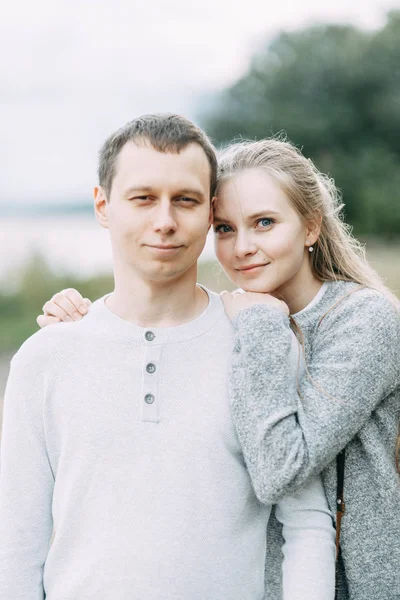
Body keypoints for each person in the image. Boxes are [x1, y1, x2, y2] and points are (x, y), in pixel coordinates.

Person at [40, 135, 400, 600]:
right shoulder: (237, 323)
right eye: (226, 229)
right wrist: (89, 322)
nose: (242, 247)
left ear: (311, 227)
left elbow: (280, 470)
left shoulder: (363, 319)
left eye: (264, 223)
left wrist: (259, 325)